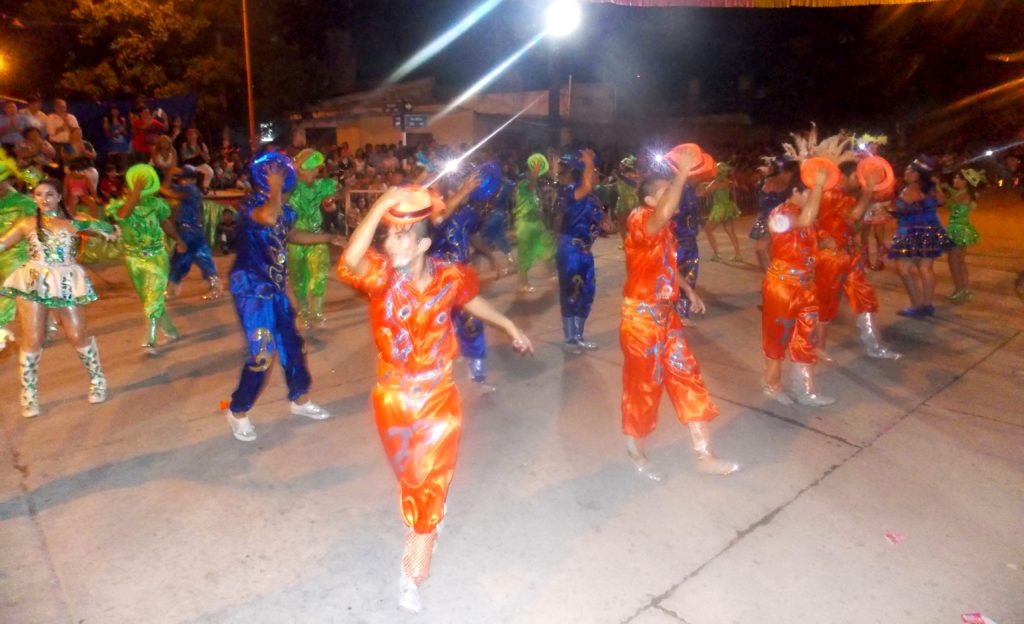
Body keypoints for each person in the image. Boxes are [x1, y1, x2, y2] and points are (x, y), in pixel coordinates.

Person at [338, 184, 533, 614]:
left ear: (423, 242)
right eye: (388, 235)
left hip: (439, 395)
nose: (389, 243)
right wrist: (380, 206)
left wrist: (507, 324)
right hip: (392, 397)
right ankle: (428, 516)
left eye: (401, 235)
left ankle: (412, 571)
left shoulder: (449, 275)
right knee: (413, 477)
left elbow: (471, 299)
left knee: (427, 483)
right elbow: (351, 259)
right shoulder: (380, 277)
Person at [621, 150, 739, 481]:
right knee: (643, 387)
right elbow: (663, 212)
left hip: (666, 317)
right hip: (640, 321)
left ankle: (705, 454)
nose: (674, 192)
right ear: (648, 198)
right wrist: (682, 172)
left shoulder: (664, 229)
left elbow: (665, 266)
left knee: (688, 378)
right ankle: (636, 452)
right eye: (664, 189)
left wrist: (687, 290)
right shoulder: (639, 218)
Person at [223, 153, 344, 442]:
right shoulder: (250, 205)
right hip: (251, 290)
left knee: (292, 345)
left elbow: (290, 234)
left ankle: (299, 399)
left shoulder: (285, 210)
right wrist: (274, 187)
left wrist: (326, 238)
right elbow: (268, 217)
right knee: (263, 353)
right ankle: (237, 410)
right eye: (275, 176)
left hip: (275, 290)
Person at [0, 178, 115, 417]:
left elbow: (108, 229)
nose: (44, 199)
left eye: (49, 194)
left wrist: (92, 225)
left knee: (77, 335)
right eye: (39, 194)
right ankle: (29, 395)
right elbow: (2, 244)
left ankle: (97, 380)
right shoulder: (26, 223)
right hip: (33, 281)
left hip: (65, 282)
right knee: (33, 338)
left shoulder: (73, 222)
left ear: (60, 197)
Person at [814, 161, 901, 362]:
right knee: (826, 303)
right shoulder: (831, 194)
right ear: (845, 176)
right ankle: (817, 347)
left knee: (865, 297)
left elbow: (852, 226)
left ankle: (875, 346)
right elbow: (853, 216)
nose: (861, 182)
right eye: (858, 178)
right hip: (831, 257)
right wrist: (869, 189)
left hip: (848, 255)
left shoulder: (844, 196)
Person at [762, 165, 834, 406]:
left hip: (806, 286)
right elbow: (804, 221)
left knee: (806, 337)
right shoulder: (780, 214)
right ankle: (772, 386)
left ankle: (805, 389)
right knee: (777, 339)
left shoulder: (807, 217)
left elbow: (810, 238)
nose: (814, 200)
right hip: (782, 286)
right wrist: (819, 185)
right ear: (795, 190)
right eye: (809, 193)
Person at [106, 164, 184, 354]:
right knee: (148, 297)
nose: (136, 191)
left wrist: (179, 240)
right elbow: (124, 214)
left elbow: (167, 224)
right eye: (132, 187)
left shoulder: (156, 204)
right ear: (126, 190)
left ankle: (150, 340)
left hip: (156, 256)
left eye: (140, 187)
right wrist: (137, 191)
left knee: (153, 297)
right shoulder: (117, 206)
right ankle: (171, 330)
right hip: (133, 258)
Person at [429, 172, 496, 387]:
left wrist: (489, 254)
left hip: (462, 275)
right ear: (452, 192)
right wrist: (464, 191)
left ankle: (477, 372)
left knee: (472, 321)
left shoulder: (468, 213)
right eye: (463, 187)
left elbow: (473, 236)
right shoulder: (436, 210)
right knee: (436, 328)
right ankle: (435, 375)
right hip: (438, 278)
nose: (470, 191)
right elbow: (439, 219)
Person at [888, 157, 953, 318]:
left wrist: (889, 211)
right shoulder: (931, 189)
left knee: (903, 269)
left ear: (917, 174)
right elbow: (942, 201)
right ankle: (927, 305)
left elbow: (902, 210)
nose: (906, 172)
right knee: (925, 269)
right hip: (931, 229)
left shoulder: (909, 190)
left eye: (909, 170)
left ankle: (917, 305)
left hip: (911, 232)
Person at [556, 149, 603, 353]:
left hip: (584, 252)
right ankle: (570, 340)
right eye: (593, 171)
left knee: (586, 293)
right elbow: (586, 185)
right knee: (571, 294)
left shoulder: (592, 197)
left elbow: (596, 217)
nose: (596, 173)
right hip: (570, 250)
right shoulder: (571, 192)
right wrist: (588, 162)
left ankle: (579, 336)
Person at [287, 149, 339, 328]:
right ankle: (303, 313)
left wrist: (330, 203)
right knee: (298, 277)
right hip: (295, 238)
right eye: (312, 168)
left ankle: (317, 314)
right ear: (302, 169)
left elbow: (333, 203)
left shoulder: (321, 186)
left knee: (319, 275)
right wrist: (299, 160)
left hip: (316, 236)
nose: (316, 172)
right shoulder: (290, 186)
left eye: (317, 169)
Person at [164, 166, 222, 300]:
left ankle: (173, 289)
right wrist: (169, 174)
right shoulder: (191, 189)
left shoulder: (190, 189)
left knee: (180, 259)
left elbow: (168, 192)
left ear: (187, 179)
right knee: (203, 258)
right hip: (194, 230)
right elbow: (168, 187)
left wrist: (150, 186)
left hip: (188, 231)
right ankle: (215, 287)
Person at [0, 157, 36, 350]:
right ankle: (45, 322)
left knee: (9, 288)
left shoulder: (24, 203)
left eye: (1, 181)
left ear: (10, 180)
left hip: (19, 255)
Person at [513, 154, 556, 292]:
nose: (534, 174)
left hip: (536, 222)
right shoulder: (524, 184)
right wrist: (536, 171)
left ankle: (550, 273)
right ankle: (523, 283)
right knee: (525, 253)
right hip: (525, 224)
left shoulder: (534, 188)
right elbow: (531, 184)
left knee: (546, 246)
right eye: (531, 171)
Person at [944, 168, 984, 302]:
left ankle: (959, 289)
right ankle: (965, 289)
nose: (954, 180)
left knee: (954, 261)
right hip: (962, 228)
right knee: (960, 262)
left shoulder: (962, 195)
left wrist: (939, 188)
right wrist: (948, 188)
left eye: (957, 178)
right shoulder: (966, 193)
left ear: (964, 182)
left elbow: (947, 203)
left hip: (957, 229)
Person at [701, 162, 743, 262]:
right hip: (728, 207)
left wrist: (703, 186)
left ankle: (717, 254)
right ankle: (738, 254)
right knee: (730, 231)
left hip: (719, 208)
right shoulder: (726, 181)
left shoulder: (715, 182)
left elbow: (704, 192)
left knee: (708, 230)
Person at [612, 155, 641, 245]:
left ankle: (634, 241)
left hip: (632, 201)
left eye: (622, 165)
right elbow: (619, 187)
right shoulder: (620, 176)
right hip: (622, 201)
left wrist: (620, 176)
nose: (620, 167)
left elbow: (633, 184)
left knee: (633, 223)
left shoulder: (633, 175)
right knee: (621, 222)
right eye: (621, 165)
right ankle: (625, 242)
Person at [179, 128, 214, 192]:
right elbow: (184, 158)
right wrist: (194, 155)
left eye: (193, 134)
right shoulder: (185, 145)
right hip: (190, 164)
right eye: (189, 134)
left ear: (197, 135)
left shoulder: (202, 145)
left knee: (209, 171)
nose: (191, 136)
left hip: (200, 164)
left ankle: (204, 187)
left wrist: (200, 152)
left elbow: (207, 158)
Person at [102, 106, 131, 173]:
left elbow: (125, 133)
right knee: (113, 164)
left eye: (116, 110)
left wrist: (122, 130)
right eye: (113, 110)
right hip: (112, 144)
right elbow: (106, 134)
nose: (115, 112)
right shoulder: (107, 120)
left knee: (123, 164)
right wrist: (114, 133)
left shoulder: (122, 120)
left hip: (122, 144)